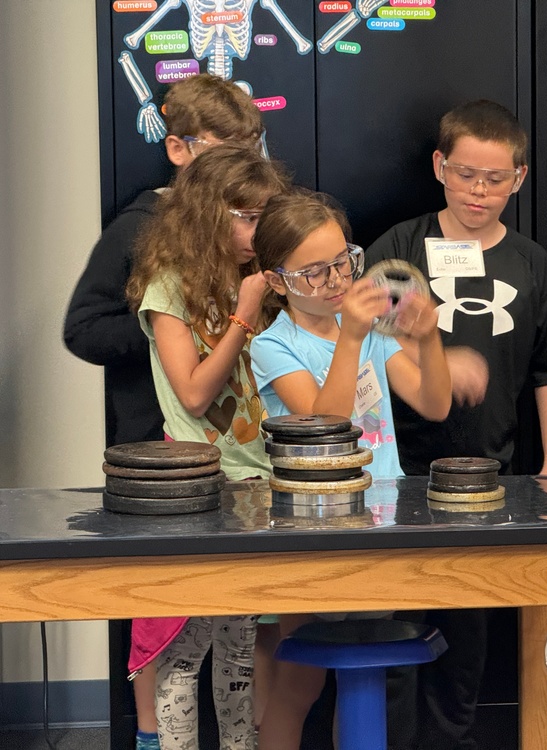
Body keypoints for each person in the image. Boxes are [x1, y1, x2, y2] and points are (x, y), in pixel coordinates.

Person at [366, 100, 547, 749]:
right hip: (395, 483)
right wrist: (427, 355)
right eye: (465, 175)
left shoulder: (530, 265)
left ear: (519, 177)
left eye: (495, 179)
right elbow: (354, 346)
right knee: (393, 636)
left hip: (491, 484)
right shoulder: (399, 252)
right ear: (440, 167)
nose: (479, 192)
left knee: (466, 643)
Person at [62, 72, 264, 750]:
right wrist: (169, 328)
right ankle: (153, 738)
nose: (246, 162)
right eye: (226, 148)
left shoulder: (249, 234)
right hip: (157, 458)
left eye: (254, 145)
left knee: (235, 630)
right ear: (179, 151)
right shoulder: (139, 228)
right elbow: (83, 328)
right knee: (166, 620)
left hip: (233, 460)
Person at [249, 190, 451, 749]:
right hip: (308, 531)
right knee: (302, 679)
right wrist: (355, 336)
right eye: (314, 273)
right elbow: (326, 422)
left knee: (363, 672)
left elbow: (434, 404)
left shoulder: (368, 335)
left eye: (343, 262)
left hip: (380, 523)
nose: (336, 280)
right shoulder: (272, 346)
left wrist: (428, 336)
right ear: (276, 281)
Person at [125, 143, 288, 750]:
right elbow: (193, 393)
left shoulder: (260, 283)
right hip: (197, 488)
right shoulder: (169, 288)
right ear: (205, 214)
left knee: (240, 650)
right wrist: (243, 316)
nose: (256, 230)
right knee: (181, 650)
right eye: (244, 216)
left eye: (262, 216)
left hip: (257, 485)